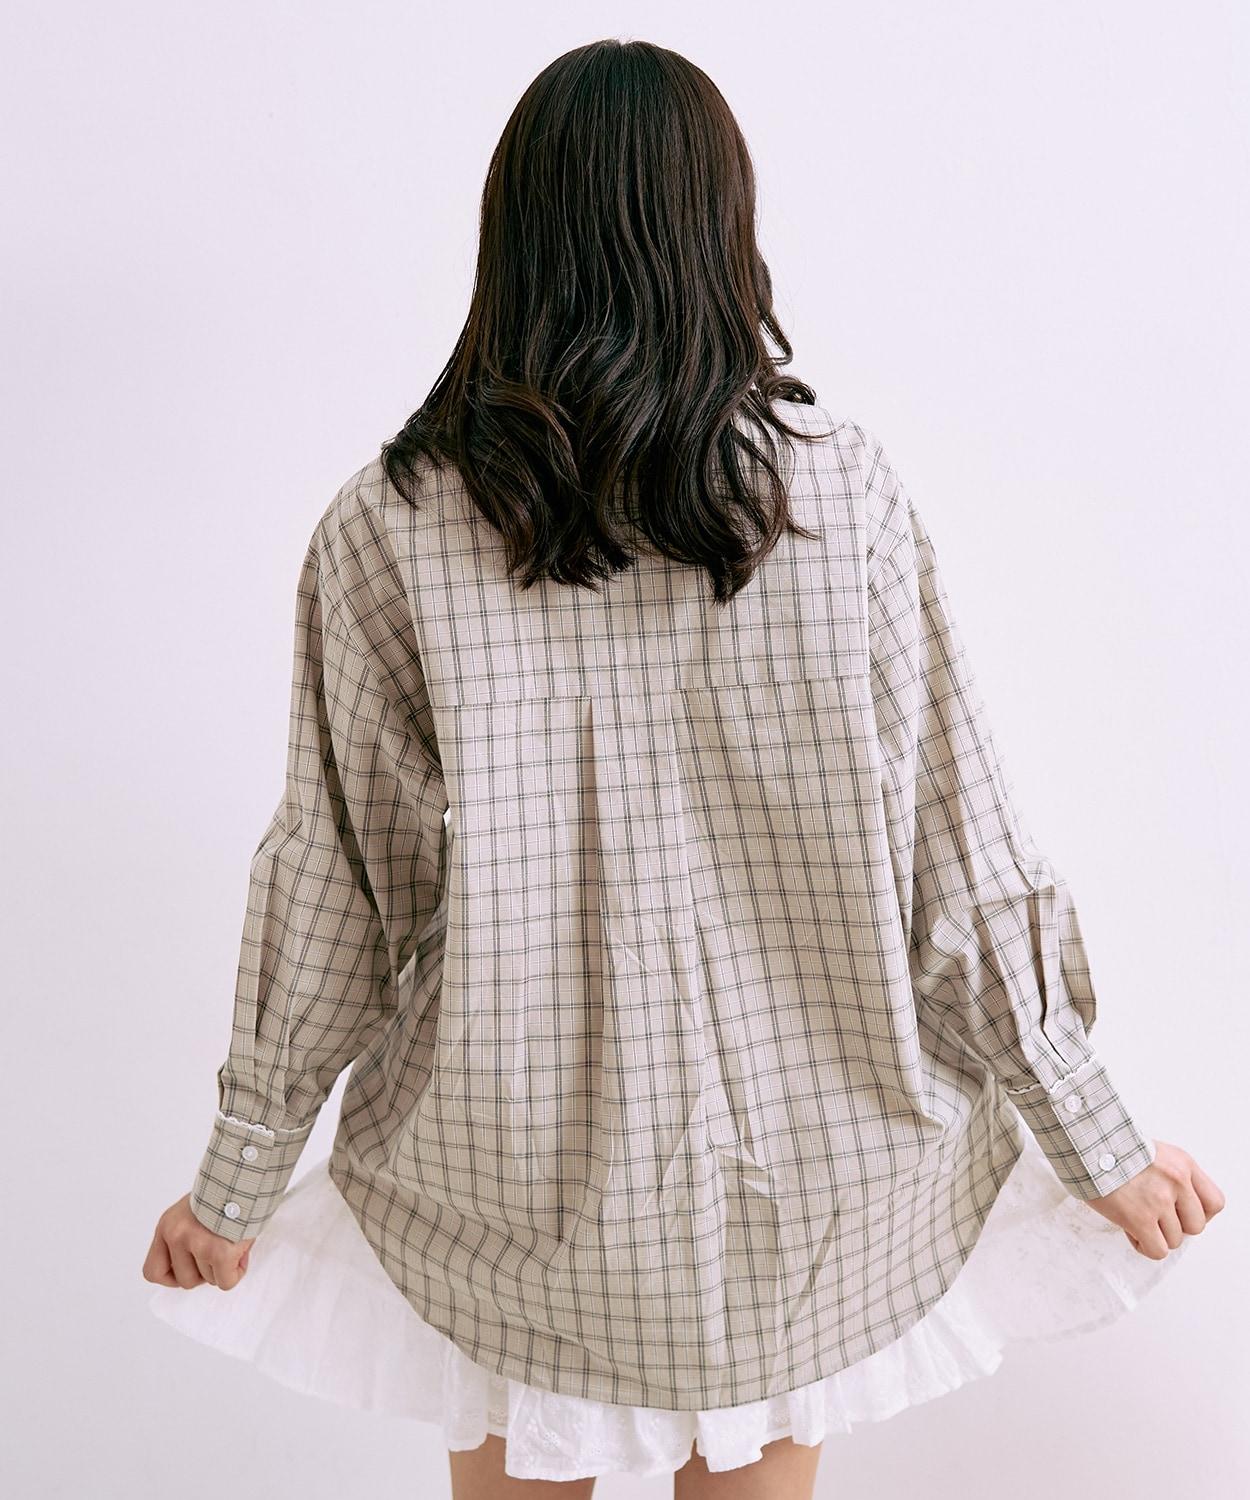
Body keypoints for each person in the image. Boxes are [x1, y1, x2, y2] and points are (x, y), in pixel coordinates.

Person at [141, 37, 1224, 1498]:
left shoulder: (388, 524)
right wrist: (1095, 1136)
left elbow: (337, 885)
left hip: (509, 1177)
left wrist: (239, 1175)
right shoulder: (835, 495)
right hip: (805, 1181)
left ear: (512, 234)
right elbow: (957, 851)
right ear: (720, 228)